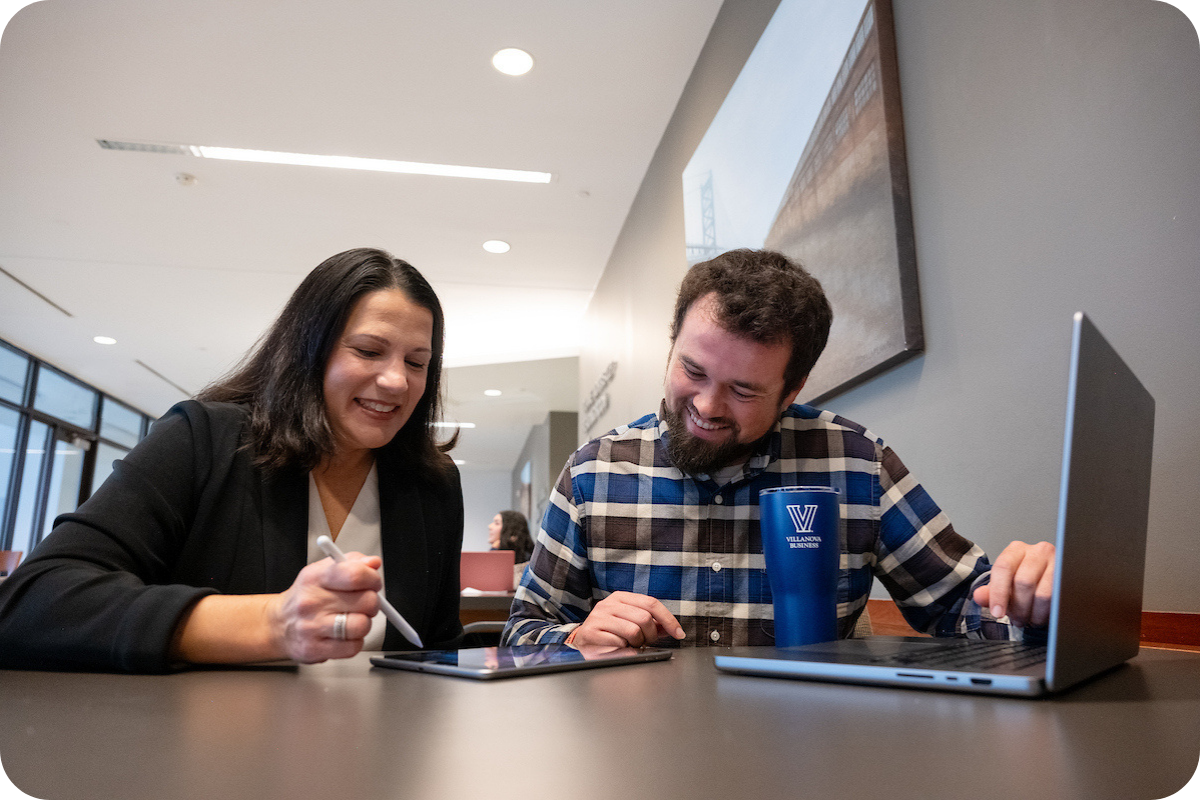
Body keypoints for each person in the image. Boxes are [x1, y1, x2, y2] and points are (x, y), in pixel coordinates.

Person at [503, 248, 1055, 649]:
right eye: (691, 370)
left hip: (806, 755)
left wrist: (1033, 598)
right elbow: (522, 629)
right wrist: (575, 635)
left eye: (744, 391)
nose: (708, 405)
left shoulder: (857, 464)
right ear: (671, 344)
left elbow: (962, 605)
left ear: (791, 392)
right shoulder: (594, 473)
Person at [0, 248, 465, 672]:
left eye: (416, 363)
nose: (396, 381)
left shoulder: (433, 485)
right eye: (368, 351)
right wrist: (272, 622)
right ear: (309, 349)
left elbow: (439, 647)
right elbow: (32, 602)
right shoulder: (202, 440)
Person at [487, 510, 534, 589]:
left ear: (511, 531)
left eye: (496, 523)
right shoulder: (497, 550)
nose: (490, 526)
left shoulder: (528, 561)